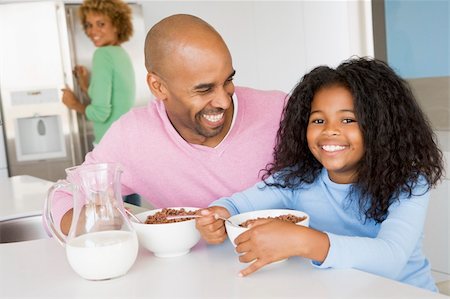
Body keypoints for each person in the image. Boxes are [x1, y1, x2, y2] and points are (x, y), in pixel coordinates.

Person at [196, 57, 444, 292]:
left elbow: (392, 257)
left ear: (381, 127)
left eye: (348, 120)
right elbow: (236, 204)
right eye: (318, 121)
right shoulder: (298, 179)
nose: (330, 131)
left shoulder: (408, 181)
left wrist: (302, 241)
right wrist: (217, 216)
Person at [50, 14, 287, 235]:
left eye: (228, 81)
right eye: (204, 89)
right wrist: (98, 225)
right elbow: (62, 198)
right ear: (158, 87)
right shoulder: (133, 136)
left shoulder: (280, 111)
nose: (224, 101)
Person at [61, 0, 135, 146]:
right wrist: (85, 85)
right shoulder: (119, 53)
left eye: (101, 24)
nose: (92, 31)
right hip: (123, 143)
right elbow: (113, 100)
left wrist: (74, 104)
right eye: (89, 25)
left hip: (110, 146)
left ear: (116, 25)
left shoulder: (103, 54)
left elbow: (101, 113)